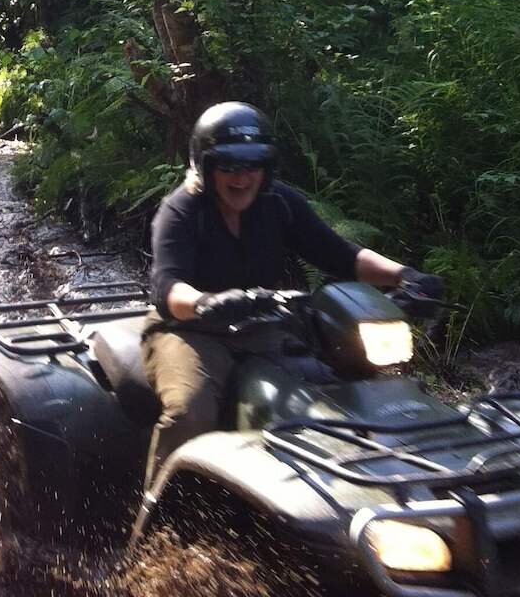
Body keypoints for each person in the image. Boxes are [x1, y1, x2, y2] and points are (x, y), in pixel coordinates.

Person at [141, 100, 443, 488]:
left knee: (344, 387)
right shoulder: (181, 210)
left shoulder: (280, 203)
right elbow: (168, 288)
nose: (241, 177)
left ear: (266, 168)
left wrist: (405, 275)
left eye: (252, 165)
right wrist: (206, 303)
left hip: (265, 326)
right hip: (190, 332)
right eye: (229, 166)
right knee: (189, 410)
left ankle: (377, 486)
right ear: (207, 165)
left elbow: (341, 255)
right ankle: (163, 517)